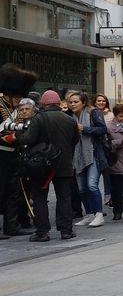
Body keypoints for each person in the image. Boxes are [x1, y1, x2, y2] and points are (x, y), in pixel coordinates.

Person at [18, 90, 79, 241]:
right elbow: (75, 140)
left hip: (41, 165)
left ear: (43, 104)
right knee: (64, 197)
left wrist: (18, 134)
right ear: (58, 103)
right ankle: (66, 230)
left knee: (39, 198)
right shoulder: (69, 119)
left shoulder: (39, 118)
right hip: (63, 163)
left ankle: (42, 231)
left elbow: (28, 139)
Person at [0, 65, 40, 237]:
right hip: (1, 153)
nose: (19, 100)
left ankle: (12, 225)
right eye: (17, 96)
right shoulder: (2, 106)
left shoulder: (12, 108)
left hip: (13, 153)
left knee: (13, 191)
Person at [66, 92, 107, 227]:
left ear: (83, 103)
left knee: (91, 185)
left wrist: (85, 129)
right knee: (81, 188)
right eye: (70, 102)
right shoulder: (68, 116)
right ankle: (89, 214)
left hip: (93, 154)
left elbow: (102, 129)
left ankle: (99, 214)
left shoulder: (92, 113)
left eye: (75, 102)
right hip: (77, 156)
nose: (72, 104)